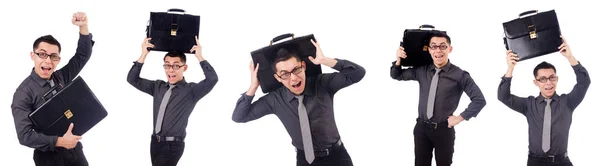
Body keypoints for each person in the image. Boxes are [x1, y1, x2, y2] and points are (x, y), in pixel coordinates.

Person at [232, 40, 365, 166]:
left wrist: (325, 60)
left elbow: (357, 73)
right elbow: (239, 116)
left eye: (296, 69)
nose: (294, 78)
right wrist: (253, 87)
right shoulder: (274, 100)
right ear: (277, 78)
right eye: (284, 74)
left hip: (337, 158)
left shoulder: (323, 83)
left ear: (303, 66)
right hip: (304, 161)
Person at [390, 31, 487, 166]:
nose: (438, 51)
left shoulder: (460, 75)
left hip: (443, 131)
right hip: (421, 129)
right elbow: (397, 75)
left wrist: (459, 118)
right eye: (434, 46)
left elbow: (479, 100)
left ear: (450, 49)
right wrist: (398, 60)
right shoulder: (422, 70)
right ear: (429, 50)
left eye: (443, 46)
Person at [11, 12, 94, 166]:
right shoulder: (23, 94)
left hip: (74, 151)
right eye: (42, 54)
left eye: (53, 56)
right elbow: (25, 136)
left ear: (58, 59)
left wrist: (83, 26)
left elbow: (83, 55)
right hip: (48, 158)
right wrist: (61, 141)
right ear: (33, 56)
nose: (48, 60)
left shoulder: (61, 76)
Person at [497, 36, 590, 166]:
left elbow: (584, 82)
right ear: (536, 82)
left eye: (552, 78)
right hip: (535, 162)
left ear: (557, 79)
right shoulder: (528, 105)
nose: (548, 83)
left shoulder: (568, 102)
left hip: (561, 162)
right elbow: (503, 96)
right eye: (543, 79)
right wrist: (510, 68)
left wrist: (570, 57)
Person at [126, 36, 218, 166]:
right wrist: (143, 54)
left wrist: (199, 57)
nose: (170, 70)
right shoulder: (158, 87)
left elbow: (212, 79)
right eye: (167, 65)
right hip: (155, 142)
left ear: (184, 68)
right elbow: (132, 79)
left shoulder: (191, 91)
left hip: (172, 145)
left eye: (176, 66)